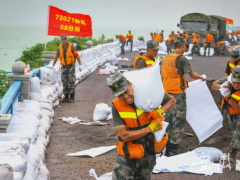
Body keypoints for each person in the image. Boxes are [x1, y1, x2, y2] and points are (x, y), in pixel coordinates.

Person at [108, 72, 176, 180]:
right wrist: (150, 128)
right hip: (127, 153)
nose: (126, 97)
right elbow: (124, 135)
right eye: (120, 95)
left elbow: (171, 100)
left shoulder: (146, 93)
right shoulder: (116, 106)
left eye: (126, 91)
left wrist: (160, 111)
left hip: (148, 151)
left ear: (130, 84)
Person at [161, 36, 206, 156]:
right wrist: (202, 77)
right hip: (177, 94)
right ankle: (173, 148)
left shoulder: (165, 58)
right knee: (179, 120)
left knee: (168, 119)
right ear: (183, 45)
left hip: (165, 93)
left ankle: (164, 144)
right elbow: (192, 75)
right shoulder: (181, 59)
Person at [212, 66, 240, 166]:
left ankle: (232, 153)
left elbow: (237, 106)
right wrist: (222, 87)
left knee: (238, 133)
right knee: (235, 132)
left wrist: (227, 95)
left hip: (238, 110)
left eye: (239, 82)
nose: (236, 85)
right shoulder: (228, 81)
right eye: (234, 82)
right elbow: (214, 85)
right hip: (230, 113)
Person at [52, 34, 81, 103]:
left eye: (66, 39)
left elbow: (76, 55)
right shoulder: (60, 48)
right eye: (63, 39)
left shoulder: (72, 46)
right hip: (64, 66)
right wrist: (53, 65)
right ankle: (66, 96)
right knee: (64, 81)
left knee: (71, 80)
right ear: (61, 40)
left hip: (71, 66)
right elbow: (56, 57)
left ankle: (72, 96)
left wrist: (80, 65)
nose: (65, 40)